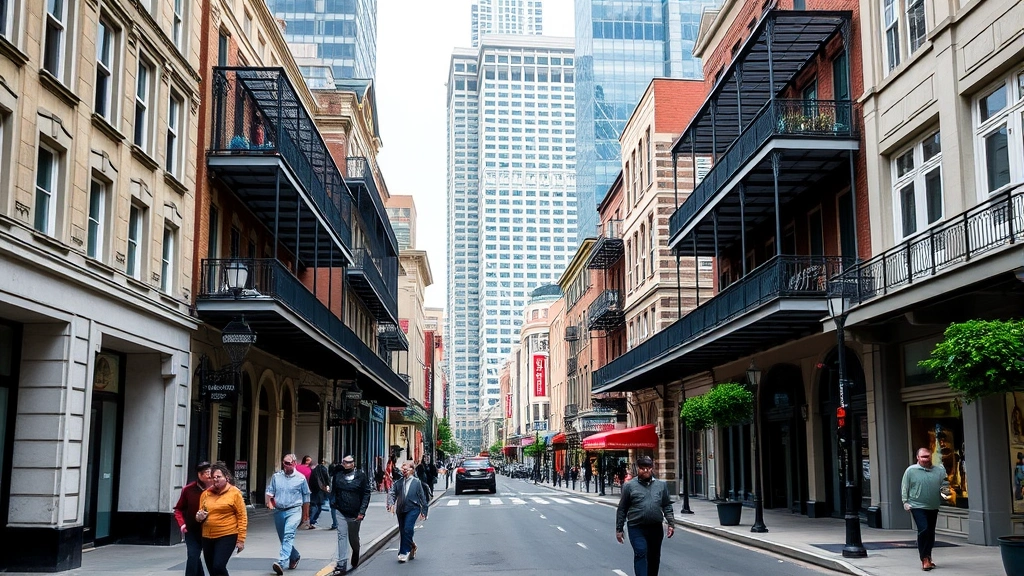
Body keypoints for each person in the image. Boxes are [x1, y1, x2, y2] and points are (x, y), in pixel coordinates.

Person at [615, 456, 675, 576]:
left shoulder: (661, 486)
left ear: (652, 469)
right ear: (638, 469)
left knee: (654, 556)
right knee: (641, 552)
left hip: (655, 527)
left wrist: (671, 523)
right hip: (636, 527)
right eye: (643, 468)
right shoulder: (629, 486)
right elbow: (622, 508)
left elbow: (666, 505)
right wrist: (619, 529)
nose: (646, 471)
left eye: (648, 468)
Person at [902, 447, 950, 571]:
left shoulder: (939, 470)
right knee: (924, 529)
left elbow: (945, 485)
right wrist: (905, 501)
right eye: (923, 457)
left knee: (930, 532)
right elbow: (905, 486)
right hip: (916, 505)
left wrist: (946, 497)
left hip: (933, 506)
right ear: (917, 458)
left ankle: (928, 556)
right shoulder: (911, 471)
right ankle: (924, 559)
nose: (925, 459)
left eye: (927, 456)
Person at [195, 463, 246, 576]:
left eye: (219, 477)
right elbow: (200, 513)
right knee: (212, 569)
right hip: (207, 536)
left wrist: (241, 539)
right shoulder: (206, 494)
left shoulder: (234, 493)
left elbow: (242, 516)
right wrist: (199, 517)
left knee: (218, 566)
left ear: (226, 477)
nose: (215, 479)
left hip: (227, 535)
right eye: (213, 477)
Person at [266, 453, 311, 575]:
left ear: (295, 463)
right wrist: (269, 503)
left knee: (288, 534)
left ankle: (281, 562)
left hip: (294, 510)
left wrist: (306, 515)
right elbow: (270, 492)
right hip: (279, 510)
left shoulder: (301, 478)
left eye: (289, 463)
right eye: (285, 463)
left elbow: (306, 496)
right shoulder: (276, 477)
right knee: (283, 537)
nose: (286, 466)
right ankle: (294, 556)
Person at [329, 454, 372, 574]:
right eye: (344, 462)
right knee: (342, 535)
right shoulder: (338, 475)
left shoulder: (361, 476)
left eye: (349, 462)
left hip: (355, 512)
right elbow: (334, 490)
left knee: (353, 538)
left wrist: (362, 512)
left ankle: (356, 551)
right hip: (340, 510)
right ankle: (342, 563)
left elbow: (366, 494)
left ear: (353, 464)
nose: (346, 464)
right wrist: (333, 503)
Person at [173, 461, 212, 576]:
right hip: (192, 530)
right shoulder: (188, 490)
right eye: (206, 473)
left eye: (210, 472)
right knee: (193, 556)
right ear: (199, 475)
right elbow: (178, 509)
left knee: (212, 561)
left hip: (210, 531)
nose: (209, 475)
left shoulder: (215, 490)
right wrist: (182, 525)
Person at [387, 461, 429, 563]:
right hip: (401, 509)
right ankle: (412, 546)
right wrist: (391, 503)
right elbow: (392, 493)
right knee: (402, 530)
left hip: (413, 508)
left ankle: (403, 552)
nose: (404, 471)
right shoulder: (399, 482)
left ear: (412, 470)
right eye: (403, 469)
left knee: (407, 528)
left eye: (406, 469)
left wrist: (424, 511)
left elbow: (422, 497)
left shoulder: (417, 482)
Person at [308, 458, 331, 529]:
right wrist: (328, 486)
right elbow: (327, 479)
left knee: (315, 505)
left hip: (314, 490)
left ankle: (311, 521)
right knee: (317, 506)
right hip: (319, 491)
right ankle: (311, 521)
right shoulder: (323, 469)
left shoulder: (314, 471)